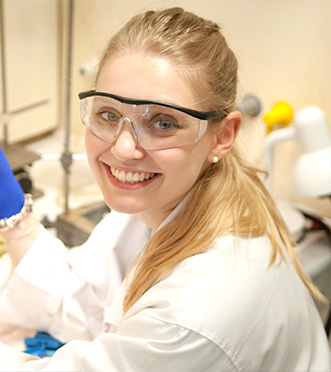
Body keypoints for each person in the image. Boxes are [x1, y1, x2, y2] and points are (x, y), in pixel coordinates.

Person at [0, 7, 330, 371]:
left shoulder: (197, 309)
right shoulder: (164, 202)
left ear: (223, 135)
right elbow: (84, 300)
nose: (124, 148)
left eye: (163, 122)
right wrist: (16, 220)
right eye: (108, 114)